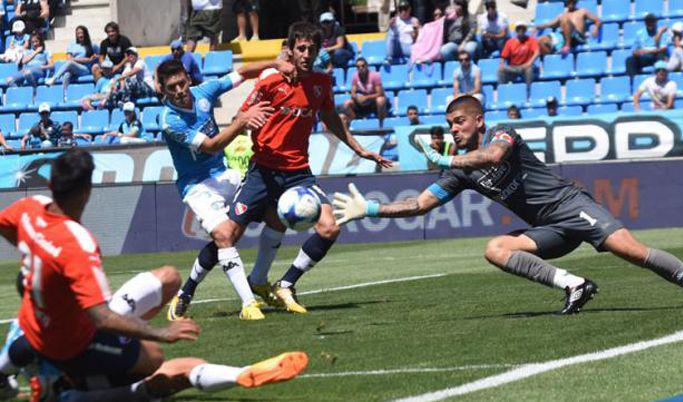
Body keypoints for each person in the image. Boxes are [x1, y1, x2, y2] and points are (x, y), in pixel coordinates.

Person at [332, 95, 683, 315]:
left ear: (478, 120)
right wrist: (369, 209)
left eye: (460, 121)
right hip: (549, 230)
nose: (453, 128)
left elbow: (494, 156)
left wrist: (446, 160)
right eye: (450, 123)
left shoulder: (503, 133)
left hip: (570, 205)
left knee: (631, 252)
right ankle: (574, 284)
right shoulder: (462, 172)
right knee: (495, 248)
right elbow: (419, 205)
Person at [0, 149, 308, 402]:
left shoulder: (30, 208)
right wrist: (161, 332)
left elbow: (8, 226)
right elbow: (101, 318)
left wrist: (35, 254)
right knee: (156, 358)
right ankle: (70, 391)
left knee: (169, 278)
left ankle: (41, 377)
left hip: (36, 326)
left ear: (51, 185)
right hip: (73, 343)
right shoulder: (76, 243)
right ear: (86, 191)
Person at [221, 21, 391, 315]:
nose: (306, 54)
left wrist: (359, 148)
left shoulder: (320, 84)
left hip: (298, 171)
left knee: (329, 228)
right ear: (290, 49)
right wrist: (247, 118)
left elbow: (332, 120)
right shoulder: (269, 80)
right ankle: (189, 290)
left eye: (312, 49)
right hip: (262, 168)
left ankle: (286, 284)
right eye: (301, 48)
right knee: (229, 233)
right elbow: (241, 115)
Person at [157, 57, 293, 321]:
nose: (179, 91)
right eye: (171, 87)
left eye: (181, 83)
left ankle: (255, 281)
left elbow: (241, 72)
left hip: (225, 175)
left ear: (188, 78)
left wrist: (276, 64)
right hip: (197, 186)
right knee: (223, 235)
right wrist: (241, 122)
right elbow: (211, 146)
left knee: (276, 216)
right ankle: (248, 304)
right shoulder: (169, 120)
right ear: (163, 89)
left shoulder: (204, 91)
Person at [535, 0, 600, 54]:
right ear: (566, 2)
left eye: (573, 2)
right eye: (569, 2)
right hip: (563, 37)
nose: (571, 3)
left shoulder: (582, 11)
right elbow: (549, 24)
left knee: (564, 19)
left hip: (577, 38)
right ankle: (553, 54)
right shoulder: (562, 15)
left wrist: (596, 28)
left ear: (576, 2)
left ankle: (567, 45)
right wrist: (538, 27)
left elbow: (597, 20)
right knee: (541, 40)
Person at [342, 57, 389, 126]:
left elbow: (380, 93)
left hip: (373, 101)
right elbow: (353, 93)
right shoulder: (355, 77)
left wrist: (367, 97)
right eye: (358, 67)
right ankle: (354, 122)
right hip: (361, 101)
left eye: (363, 66)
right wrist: (357, 98)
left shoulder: (375, 76)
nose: (361, 68)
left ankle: (381, 124)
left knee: (380, 100)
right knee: (346, 103)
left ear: (367, 66)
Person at [498, 21, 539, 87]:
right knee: (500, 70)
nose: (521, 30)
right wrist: (501, 64)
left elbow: (537, 52)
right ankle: (503, 90)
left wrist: (529, 63)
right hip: (513, 67)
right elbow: (503, 56)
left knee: (529, 70)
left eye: (523, 29)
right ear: (516, 30)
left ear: (525, 30)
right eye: (519, 29)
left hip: (525, 66)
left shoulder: (531, 40)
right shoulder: (510, 42)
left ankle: (529, 91)